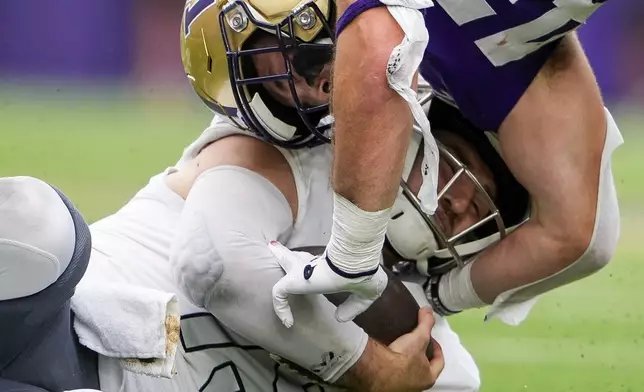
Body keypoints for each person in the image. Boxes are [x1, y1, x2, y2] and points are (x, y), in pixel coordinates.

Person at [180, 0, 623, 326]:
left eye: (296, 57)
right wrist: (434, 296)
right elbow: (582, 236)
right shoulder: (490, 71)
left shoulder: (429, 50)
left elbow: (379, 50)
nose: (323, 89)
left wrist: (352, 255)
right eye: (293, 91)